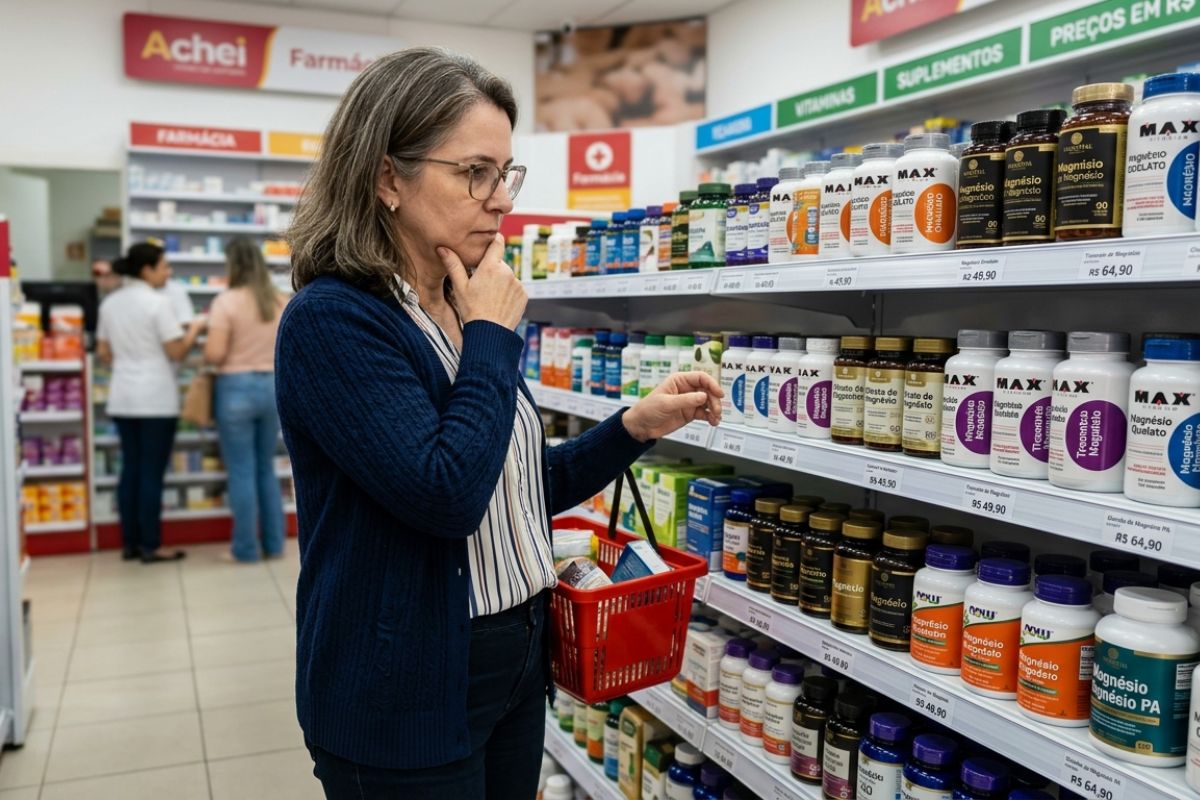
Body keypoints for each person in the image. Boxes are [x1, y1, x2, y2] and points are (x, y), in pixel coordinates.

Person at [278, 47, 723, 799]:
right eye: (474, 172)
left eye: (507, 173)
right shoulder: (334, 321)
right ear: (388, 177)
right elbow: (444, 494)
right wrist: (491, 338)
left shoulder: (458, 302)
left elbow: (511, 485)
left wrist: (632, 427)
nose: (501, 200)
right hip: (404, 692)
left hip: (515, 665)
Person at [96, 242, 204, 563]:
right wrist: (196, 328)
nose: (167, 273)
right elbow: (176, 352)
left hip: (123, 396)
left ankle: (130, 544)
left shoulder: (110, 303)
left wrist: (130, 359)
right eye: (164, 267)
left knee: (130, 469)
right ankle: (151, 546)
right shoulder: (157, 304)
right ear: (147, 270)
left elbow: (103, 353)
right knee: (151, 473)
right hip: (155, 397)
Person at [203, 238, 288, 562]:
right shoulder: (278, 300)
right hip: (272, 389)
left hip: (235, 388)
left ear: (232, 266)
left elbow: (214, 353)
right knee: (265, 468)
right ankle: (275, 544)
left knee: (241, 470)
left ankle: (245, 548)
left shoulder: (227, 302)